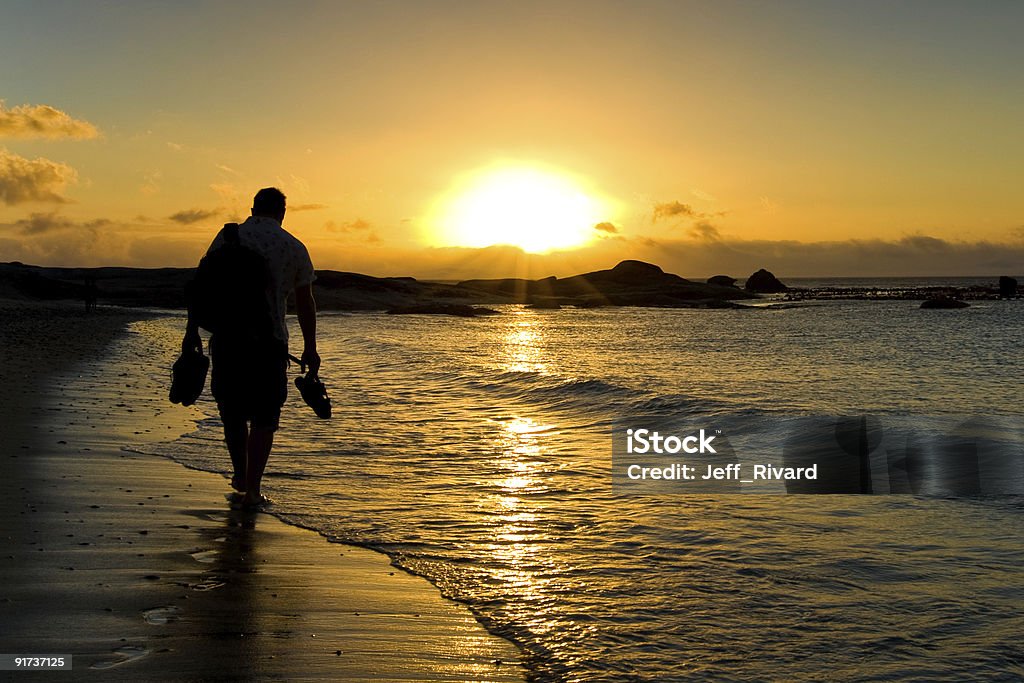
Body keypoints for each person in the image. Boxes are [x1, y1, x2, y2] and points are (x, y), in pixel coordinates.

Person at [182, 187, 320, 507]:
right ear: (282, 213)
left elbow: (202, 286)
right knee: (264, 416)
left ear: (253, 207)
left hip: (228, 338)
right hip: (270, 343)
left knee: (232, 412)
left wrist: (192, 332)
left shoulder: (230, 237)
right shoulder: (293, 246)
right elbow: (304, 302)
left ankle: (240, 474)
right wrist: (310, 348)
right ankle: (253, 490)